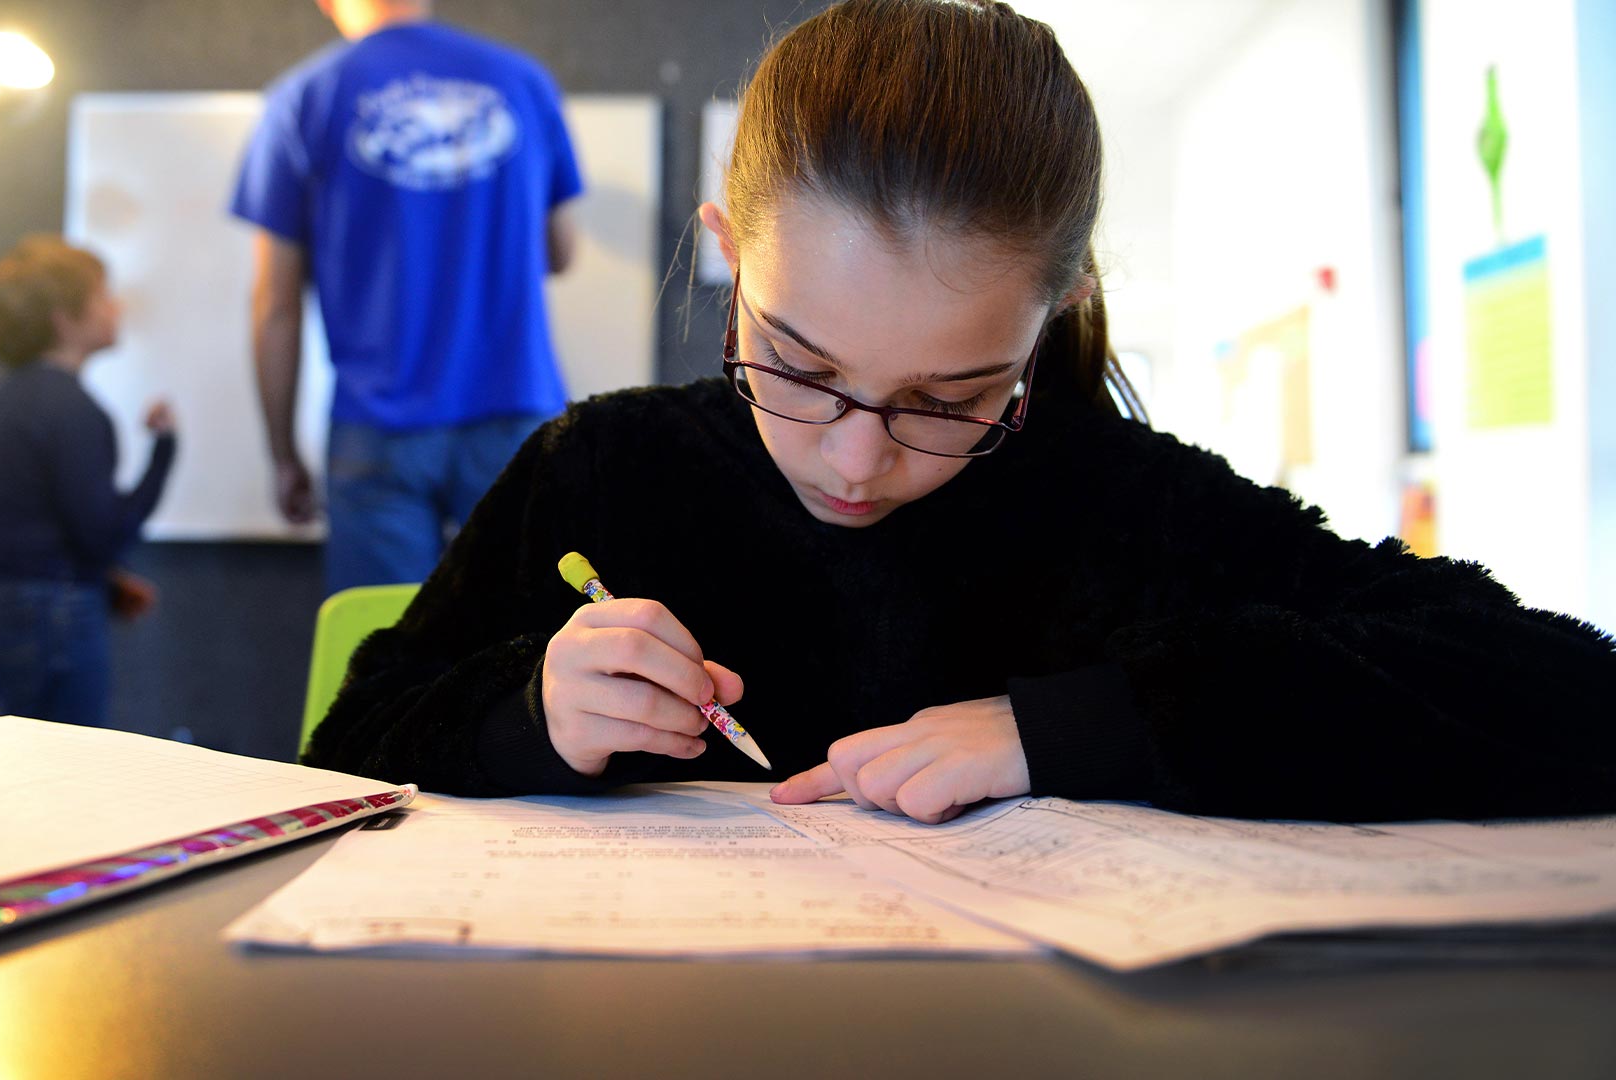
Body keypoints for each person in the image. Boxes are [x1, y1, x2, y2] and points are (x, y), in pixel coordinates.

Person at [301, 0, 1616, 823]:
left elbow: (1569, 692)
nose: (855, 459)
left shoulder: (1121, 501)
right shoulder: (602, 469)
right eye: (798, 365)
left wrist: (1075, 727)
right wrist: (529, 710)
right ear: (729, 257)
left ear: (1052, 316)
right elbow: (347, 747)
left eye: (950, 399)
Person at [231, 0, 582, 593]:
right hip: (515, 411)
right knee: (526, 630)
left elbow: (276, 305)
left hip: (377, 427)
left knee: (388, 640)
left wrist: (283, 453)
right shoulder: (523, 81)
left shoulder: (305, 97)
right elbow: (560, 253)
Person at [0, 235, 177, 728]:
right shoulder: (72, 408)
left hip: (1, 611)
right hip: (56, 616)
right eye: (103, 296)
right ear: (65, 319)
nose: (117, 306)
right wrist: (164, 450)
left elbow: (38, 525)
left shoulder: (8, 401)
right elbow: (102, 534)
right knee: (69, 762)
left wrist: (106, 583)